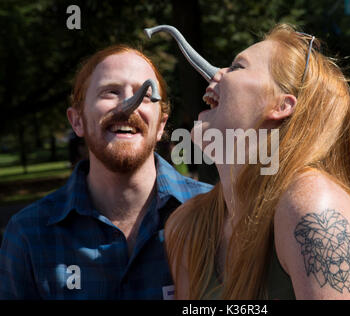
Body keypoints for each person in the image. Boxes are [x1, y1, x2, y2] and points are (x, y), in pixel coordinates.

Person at [164, 24, 350, 299]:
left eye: (237, 67)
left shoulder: (311, 207)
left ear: (281, 105)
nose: (217, 73)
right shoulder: (189, 225)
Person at [0, 45, 212, 299]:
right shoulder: (28, 234)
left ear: (161, 125)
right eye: (110, 92)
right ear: (77, 120)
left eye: (145, 95)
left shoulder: (217, 214)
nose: (128, 105)